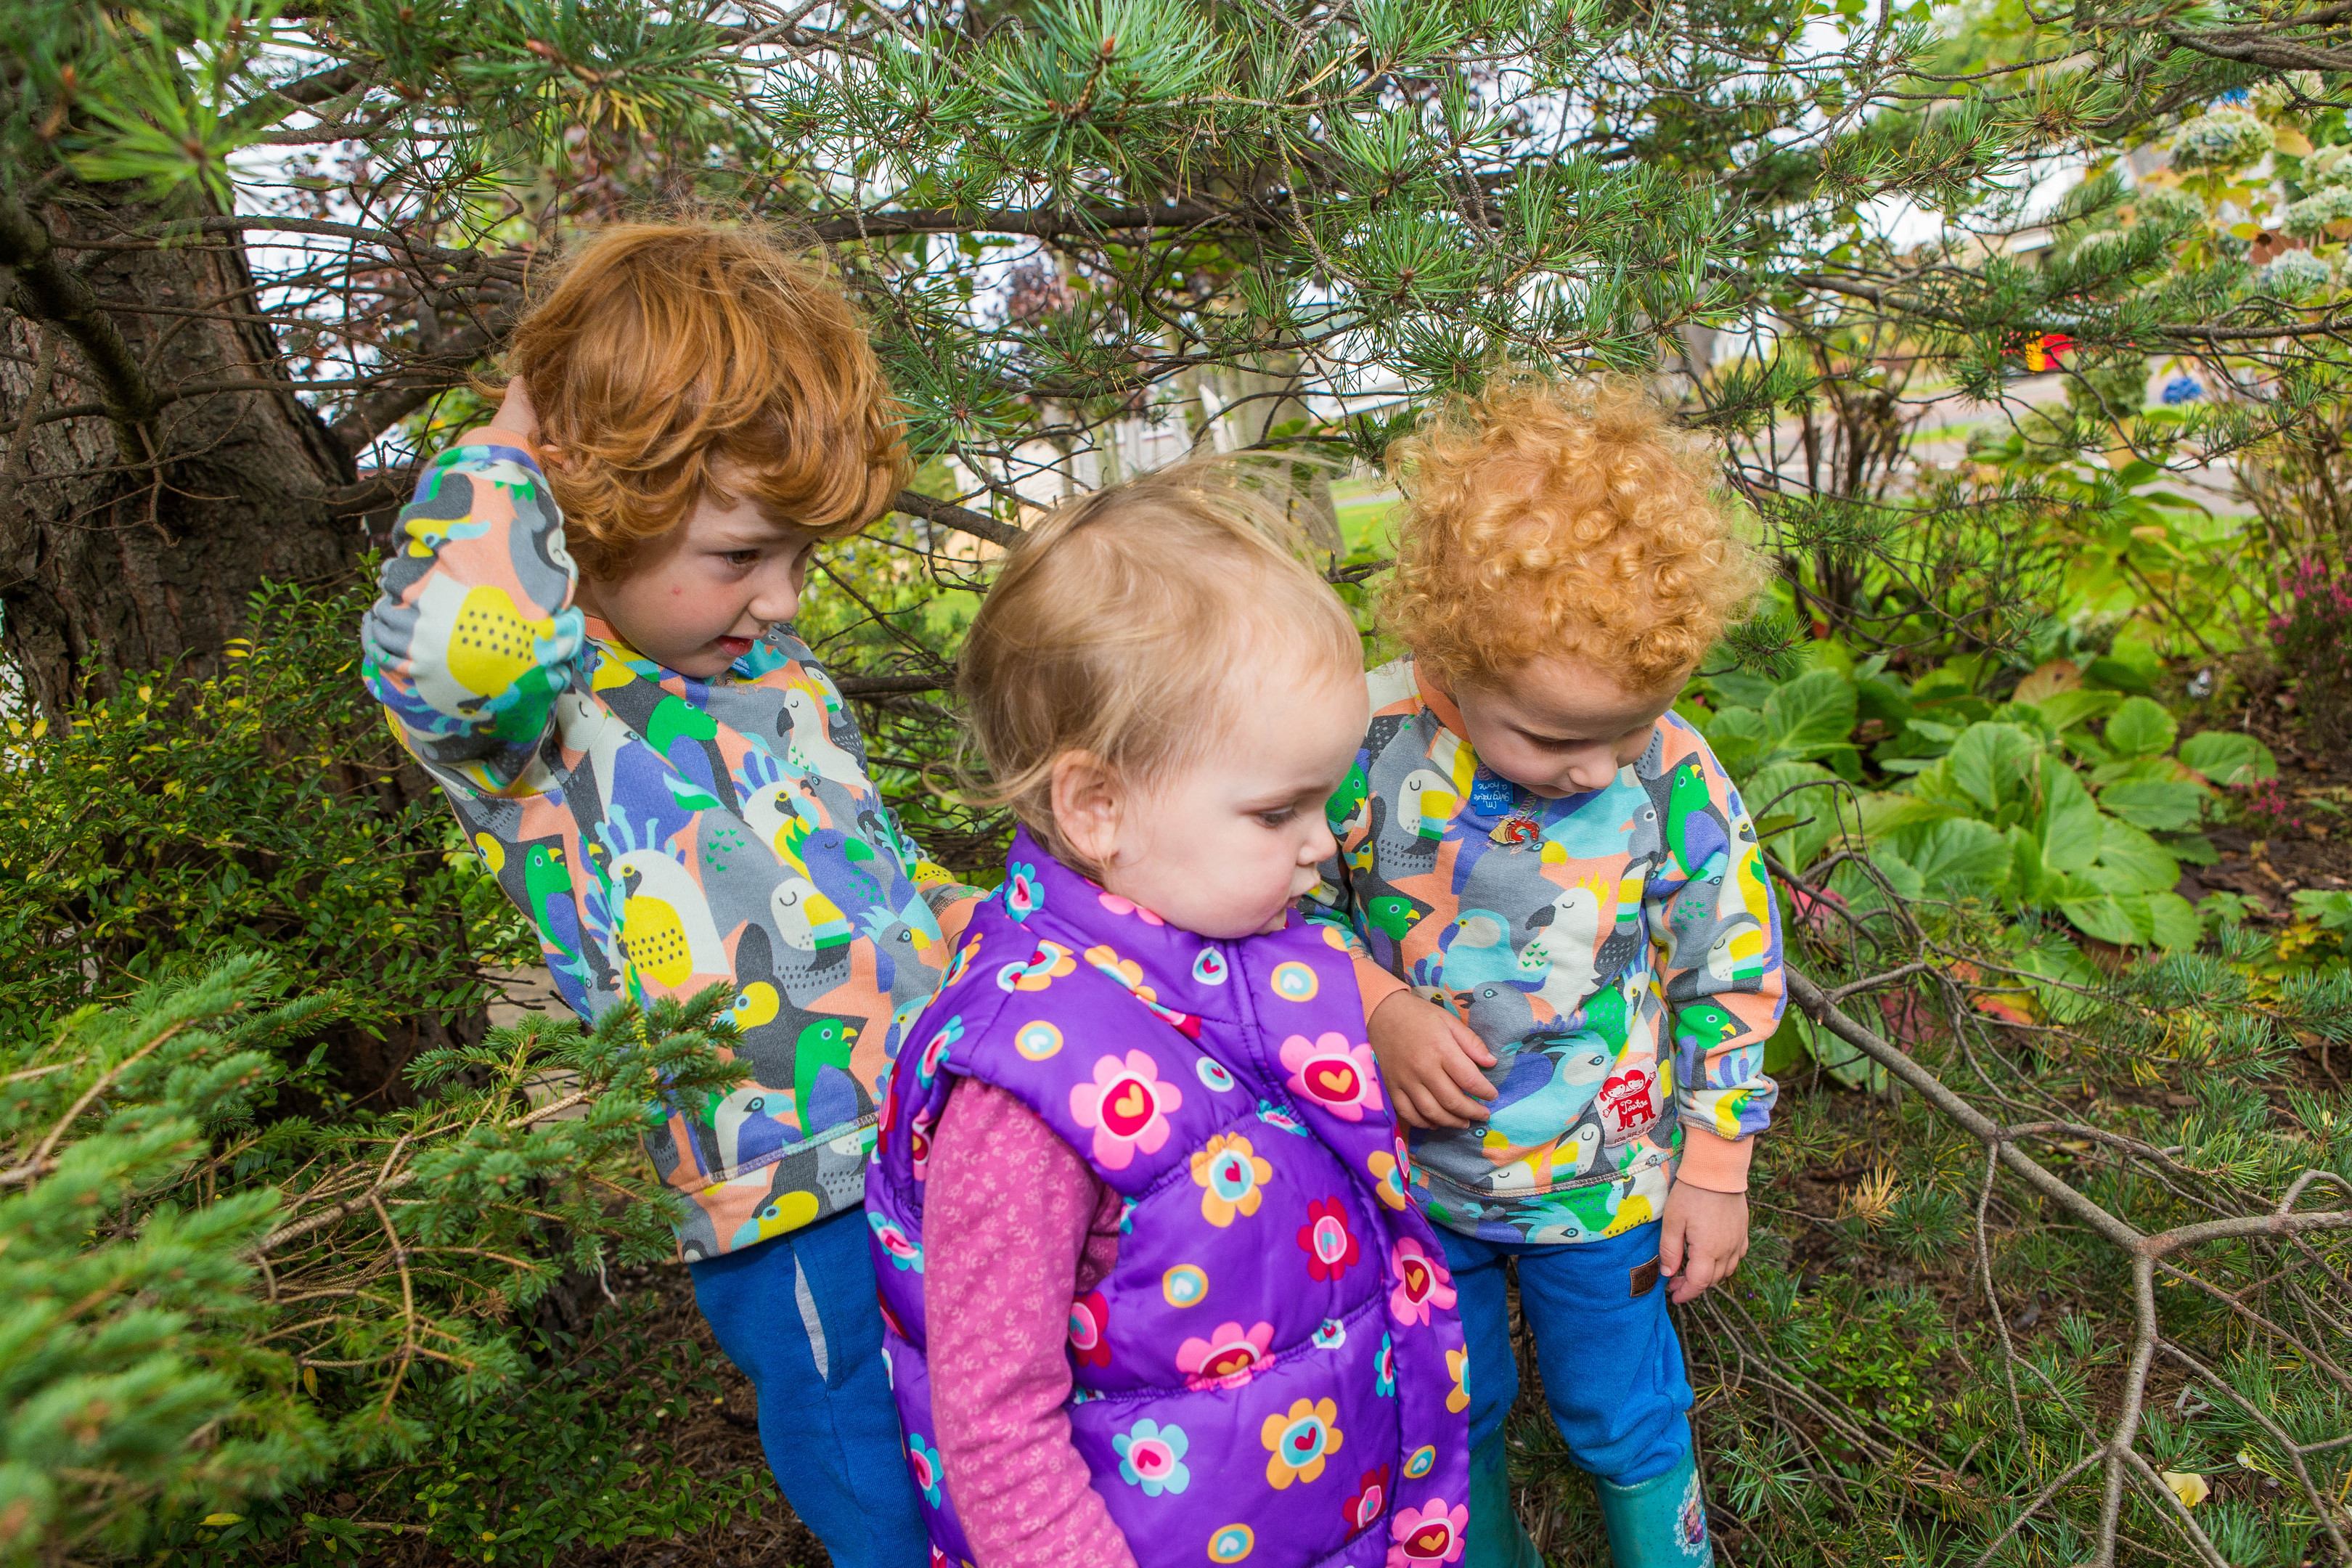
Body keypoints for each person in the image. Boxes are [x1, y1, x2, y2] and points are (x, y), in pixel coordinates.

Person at [360, 221, 976, 1568]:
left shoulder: (779, 675)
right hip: (782, 1192)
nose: (781, 598)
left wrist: (953, 917)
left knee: (997, 1455)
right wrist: (518, 439)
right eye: (744, 553)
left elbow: (858, 857)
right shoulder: (539, 709)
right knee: (886, 1499)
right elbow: (447, 657)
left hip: (940, 1143)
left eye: (802, 558)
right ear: (598, 492)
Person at [864, 460, 1471, 1568]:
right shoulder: (1028, 1090)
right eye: (1277, 809)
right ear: (1099, 807)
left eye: (1324, 801)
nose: (1321, 841)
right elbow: (995, 1426)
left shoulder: (1231, 958)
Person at [1306, 376, 1785, 1568]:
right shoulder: (1356, 748)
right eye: (1556, 738)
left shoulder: (1668, 774)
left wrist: (1714, 1163)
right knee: (1449, 1417)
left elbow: (1730, 959)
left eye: (1628, 728)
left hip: (1605, 1183)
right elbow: (1283, 909)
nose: (1593, 771)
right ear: (1446, 656)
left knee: (1624, 1416)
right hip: (1411, 1188)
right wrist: (1376, 1004)